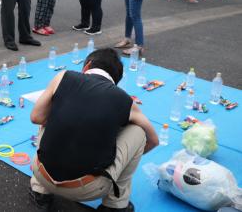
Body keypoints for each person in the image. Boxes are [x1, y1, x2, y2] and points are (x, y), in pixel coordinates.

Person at [29, 48, 158, 212]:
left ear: (87, 66)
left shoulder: (64, 76)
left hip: (42, 174)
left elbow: (36, 117)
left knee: (48, 114)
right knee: (138, 133)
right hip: (87, 189)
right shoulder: (123, 99)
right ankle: (115, 205)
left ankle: (40, 192)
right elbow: (154, 140)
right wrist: (123, 159)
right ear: (115, 81)